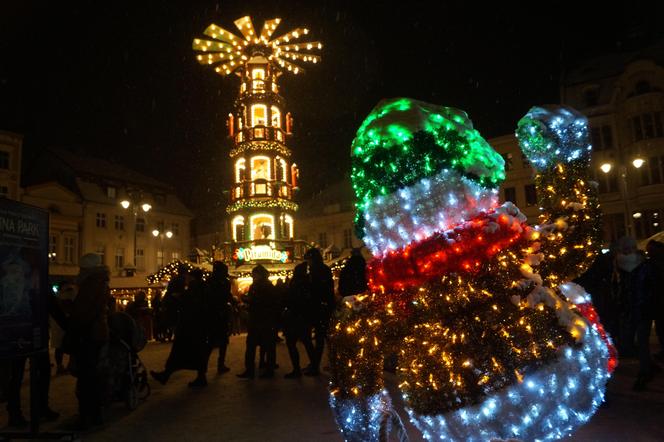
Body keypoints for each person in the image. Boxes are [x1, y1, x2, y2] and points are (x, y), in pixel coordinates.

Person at [68, 253, 111, 429]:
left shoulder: (91, 284)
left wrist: (72, 313)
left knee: (87, 377)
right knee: (93, 375)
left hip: (89, 335)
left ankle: (88, 416)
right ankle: (96, 414)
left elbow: (84, 313)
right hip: (97, 333)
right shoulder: (101, 282)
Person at [151, 268, 211, 388]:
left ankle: (166, 374)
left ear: (192, 277)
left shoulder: (194, 288)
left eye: (188, 277)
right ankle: (200, 376)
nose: (186, 279)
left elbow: (190, 303)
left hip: (190, 326)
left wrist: (179, 298)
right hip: (199, 327)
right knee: (198, 352)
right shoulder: (204, 287)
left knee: (179, 351)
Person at [237, 265, 279, 379]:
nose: (253, 275)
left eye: (254, 273)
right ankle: (265, 369)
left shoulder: (259, 286)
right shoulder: (267, 285)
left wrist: (247, 300)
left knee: (253, 345)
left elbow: (259, 301)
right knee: (266, 345)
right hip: (264, 319)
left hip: (260, 319)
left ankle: (252, 370)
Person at [633, 240, 664, 390]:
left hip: (646, 308)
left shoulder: (645, 268)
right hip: (652, 307)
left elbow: (640, 289)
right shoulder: (646, 267)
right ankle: (646, 367)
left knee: (643, 340)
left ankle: (646, 369)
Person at [612, 236, 645, 357]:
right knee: (641, 329)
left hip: (624, 298)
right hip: (640, 298)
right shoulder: (641, 261)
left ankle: (627, 347)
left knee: (627, 326)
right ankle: (640, 352)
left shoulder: (617, 261)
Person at [303, 248, 334, 376]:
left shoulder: (317, 272)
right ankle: (316, 363)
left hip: (318, 308)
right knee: (321, 338)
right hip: (322, 307)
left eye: (309, 260)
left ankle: (315, 365)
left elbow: (317, 290)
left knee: (320, 338)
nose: (308, 263)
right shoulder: (324, 270)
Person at [283, 262, 316, 378]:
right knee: (307, 342)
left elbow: (290, 299)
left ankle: (296, 369)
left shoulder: (296, 283)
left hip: (295, 316)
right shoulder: (308, 282)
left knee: (292, 343)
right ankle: (314, 366)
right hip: (304, 316)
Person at [206, 261, 233, 374]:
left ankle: (203, 369)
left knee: (211, 343)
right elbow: (226, 297)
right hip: (219, 314)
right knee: (220, 342)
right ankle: (220, 364)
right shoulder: (223, 282)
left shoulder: (209, 281)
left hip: (212, 315)